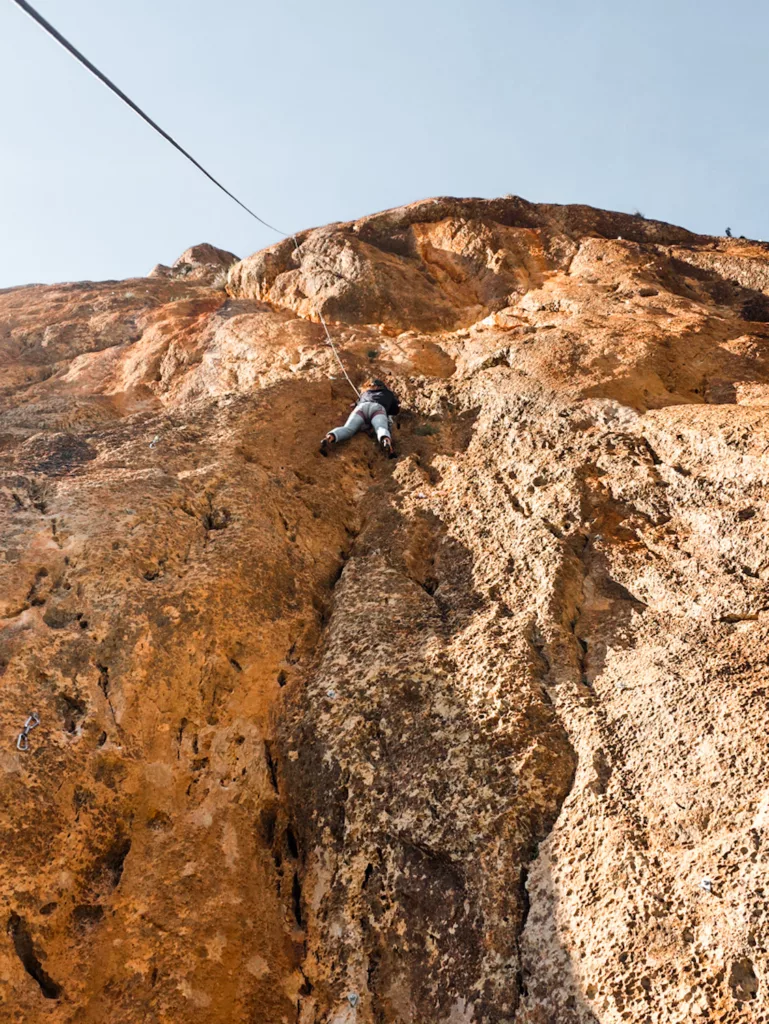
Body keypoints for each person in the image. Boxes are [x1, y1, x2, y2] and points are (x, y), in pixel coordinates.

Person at [321, 378, 400, 457]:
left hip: (361, 407)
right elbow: (395, 411)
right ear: (382, 386)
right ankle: (386, 441)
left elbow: (354, 404)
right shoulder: (388, 394)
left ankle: (330, 437)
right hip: (378, 409)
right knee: (380, 428)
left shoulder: (365, 393)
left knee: (348, 429)